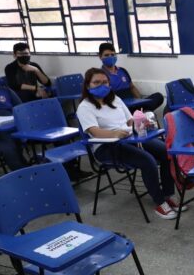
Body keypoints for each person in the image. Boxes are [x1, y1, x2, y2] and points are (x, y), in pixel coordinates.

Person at [76, 68, 182, 220]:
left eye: (105, 82)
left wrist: (143, 122)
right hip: (107, 146)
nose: (102, 85)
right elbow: (94, 131)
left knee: (167, 152)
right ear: (87, 86)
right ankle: (159, 202)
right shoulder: (85, 107)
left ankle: (168, 195)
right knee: (148, 161)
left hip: (130, 138)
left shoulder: (115, 99)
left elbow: (130, 120)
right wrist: (114, 134)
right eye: (96, 82)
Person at [98, 42, 164, 113]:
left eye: (112, 54)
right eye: (106, 55)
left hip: (133, 103)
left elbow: (132, 87)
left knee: (158, 96)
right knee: (143, 112)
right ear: (100, 56)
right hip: (119, 107)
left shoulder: (122, 71)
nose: (110, 57)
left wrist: (140, 101)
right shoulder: (100, 75)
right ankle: (138, 114)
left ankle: (140, 112)